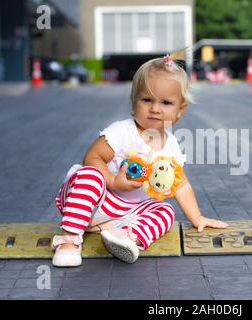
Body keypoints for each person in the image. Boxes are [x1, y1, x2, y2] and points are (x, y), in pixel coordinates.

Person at [52, 54, 229, 267]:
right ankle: (69, 240)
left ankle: (127, 237)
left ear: (180, 110)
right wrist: (113, 181)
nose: (155, 108)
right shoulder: (122, 132)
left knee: (165, 211)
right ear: (134, 100)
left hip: (125, 214)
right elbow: (92, 157)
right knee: (89, 175)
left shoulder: (171, 146)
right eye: (147, 100)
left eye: (166, 102)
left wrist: (198, 218)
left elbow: (181, 186)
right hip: (91, 203)